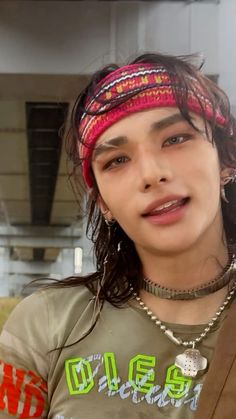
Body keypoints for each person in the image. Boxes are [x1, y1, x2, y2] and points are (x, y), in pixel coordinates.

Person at [0, 52, 236, 419]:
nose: (151, 174)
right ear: (102, 202)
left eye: (175, 139)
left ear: (224, 160)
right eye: (117, 160)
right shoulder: (46, 325)